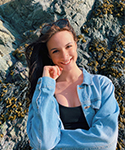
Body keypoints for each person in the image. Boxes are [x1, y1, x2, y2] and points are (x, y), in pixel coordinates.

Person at [26, 18, 119, 150]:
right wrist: (46, 84)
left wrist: (57, 142)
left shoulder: (102, 85)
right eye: (55, 51)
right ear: (49, 55)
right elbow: (44, 144)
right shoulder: (44, 92)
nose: (64, 56)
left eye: (68, 46)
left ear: (76, 44)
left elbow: (106, 141)